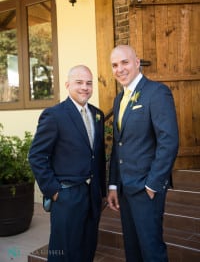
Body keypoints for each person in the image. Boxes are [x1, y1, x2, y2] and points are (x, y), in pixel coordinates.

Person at [107, 45, 179, 262]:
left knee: (151, 250)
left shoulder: (157, 92)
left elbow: (169, 141)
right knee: (132, 249)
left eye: (124, 62)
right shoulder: (119, 99)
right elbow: (118, 145)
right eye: (114, 65)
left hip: (147, 189)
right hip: (125, 189)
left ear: (137, 62)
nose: (119, 69)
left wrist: (152, 185)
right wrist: (112, 184)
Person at [29, 65, 106, 262]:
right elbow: (36, 156)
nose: (85, 87)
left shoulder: (97, 114)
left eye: (89, 83)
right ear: (67, 85)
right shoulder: (54, 115)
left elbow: (98, 155)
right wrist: (53, 190)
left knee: (87, 249)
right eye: (79, 83)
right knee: (63, 253)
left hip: (92, 196)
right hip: (66, 195)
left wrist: (102, 191)